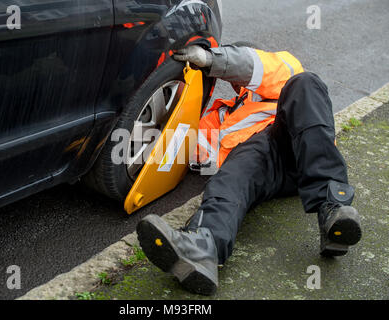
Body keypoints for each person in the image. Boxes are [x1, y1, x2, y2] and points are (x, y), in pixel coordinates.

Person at [136, 43, 362, 296]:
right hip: (259, 167)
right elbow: (188, 149)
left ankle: (333, 206)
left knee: (306, 82)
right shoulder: (220, 113)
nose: (235, 81)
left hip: (299, 149)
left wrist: (212, 59)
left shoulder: (284, 75)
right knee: (231, 176)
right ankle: (202, 247)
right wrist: (140, 140)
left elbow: (258, 66)